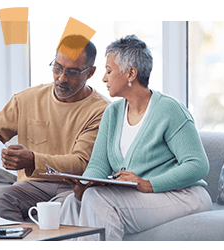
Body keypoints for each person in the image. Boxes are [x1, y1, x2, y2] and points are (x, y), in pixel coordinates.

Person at [60, 35, 212, 240]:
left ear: (131, 73)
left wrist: (147, 183)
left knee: (98, 199)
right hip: (141, 197)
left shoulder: (169, 109)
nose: (104, 78)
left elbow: (197, 165)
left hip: (183, 195)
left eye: (108, 71)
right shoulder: (112, 114)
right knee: (72, 202)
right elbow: (98, 166)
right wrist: (84, 185)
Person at [0, 35, 110, 222]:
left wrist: (33, 160)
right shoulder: (26, 99)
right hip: (31, 186)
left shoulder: (102, 110)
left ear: (90, 72)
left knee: (67, 208)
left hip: (72, 187)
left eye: (72, 72)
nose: (61, 78)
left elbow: (80, 164)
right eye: (57, 68)